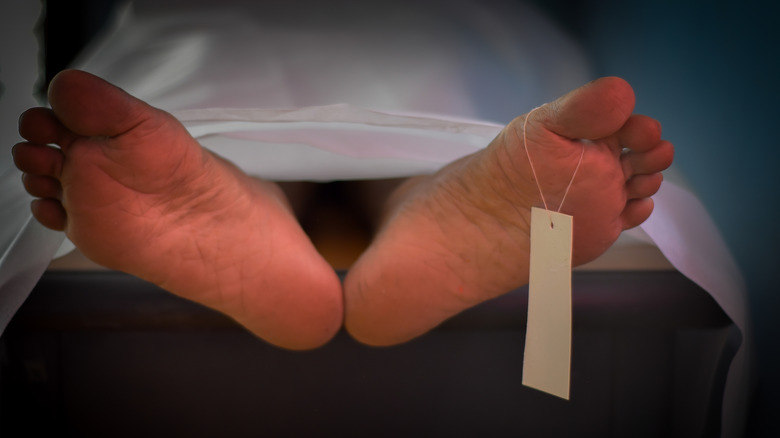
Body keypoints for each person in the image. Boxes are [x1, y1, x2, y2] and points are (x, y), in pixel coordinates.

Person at [11, 69, 673, 350]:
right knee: (425, 128)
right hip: (455, 55)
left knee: (250, 131)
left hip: (209, 59)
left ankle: (255, 191)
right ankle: (423, 192)